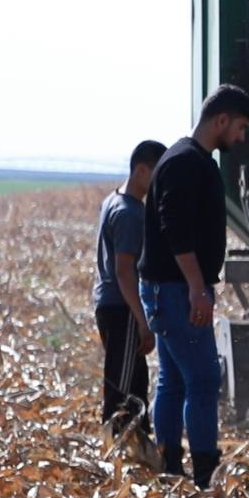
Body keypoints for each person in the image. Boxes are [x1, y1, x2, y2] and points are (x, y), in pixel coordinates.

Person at [139, 84, 249, 488]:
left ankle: (170, 468)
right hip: (173, 290)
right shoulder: (186, 162)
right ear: (220, 120)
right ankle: (204, 473)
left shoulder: (190, 159)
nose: (240, 137)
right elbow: (175, 229)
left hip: (168, 288)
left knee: (173, 378)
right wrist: (195, 286)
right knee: (204, 378)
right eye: (239, 128)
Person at [93, 140, 166, 435]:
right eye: (156, 174)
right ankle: (114, 456)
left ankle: (140, 452)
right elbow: (124, 272)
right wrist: (142, 321)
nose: (159, 182)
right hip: (122, 308)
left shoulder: (113, 200)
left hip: (112, 304)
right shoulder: (128, 214)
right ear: (140, 170)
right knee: (121, 393)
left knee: (136, 384)